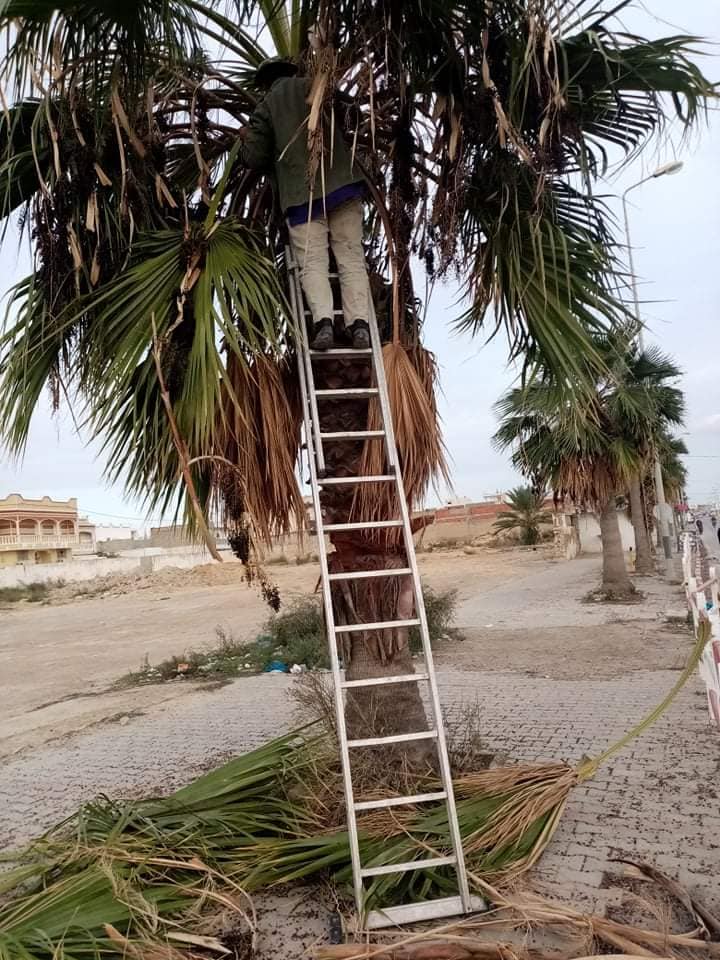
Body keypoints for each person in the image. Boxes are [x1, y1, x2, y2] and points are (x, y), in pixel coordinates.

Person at [239, 58, 371, 351]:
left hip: (301, 196)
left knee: (312, 263)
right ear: (291, 73)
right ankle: (360, 326)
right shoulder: (317, 86)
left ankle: (324, 325)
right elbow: (353, 115)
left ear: (265, 83)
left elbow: (255, 157)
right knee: (350, 257)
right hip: (343, 186)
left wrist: (246, 140)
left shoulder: (267, 105)